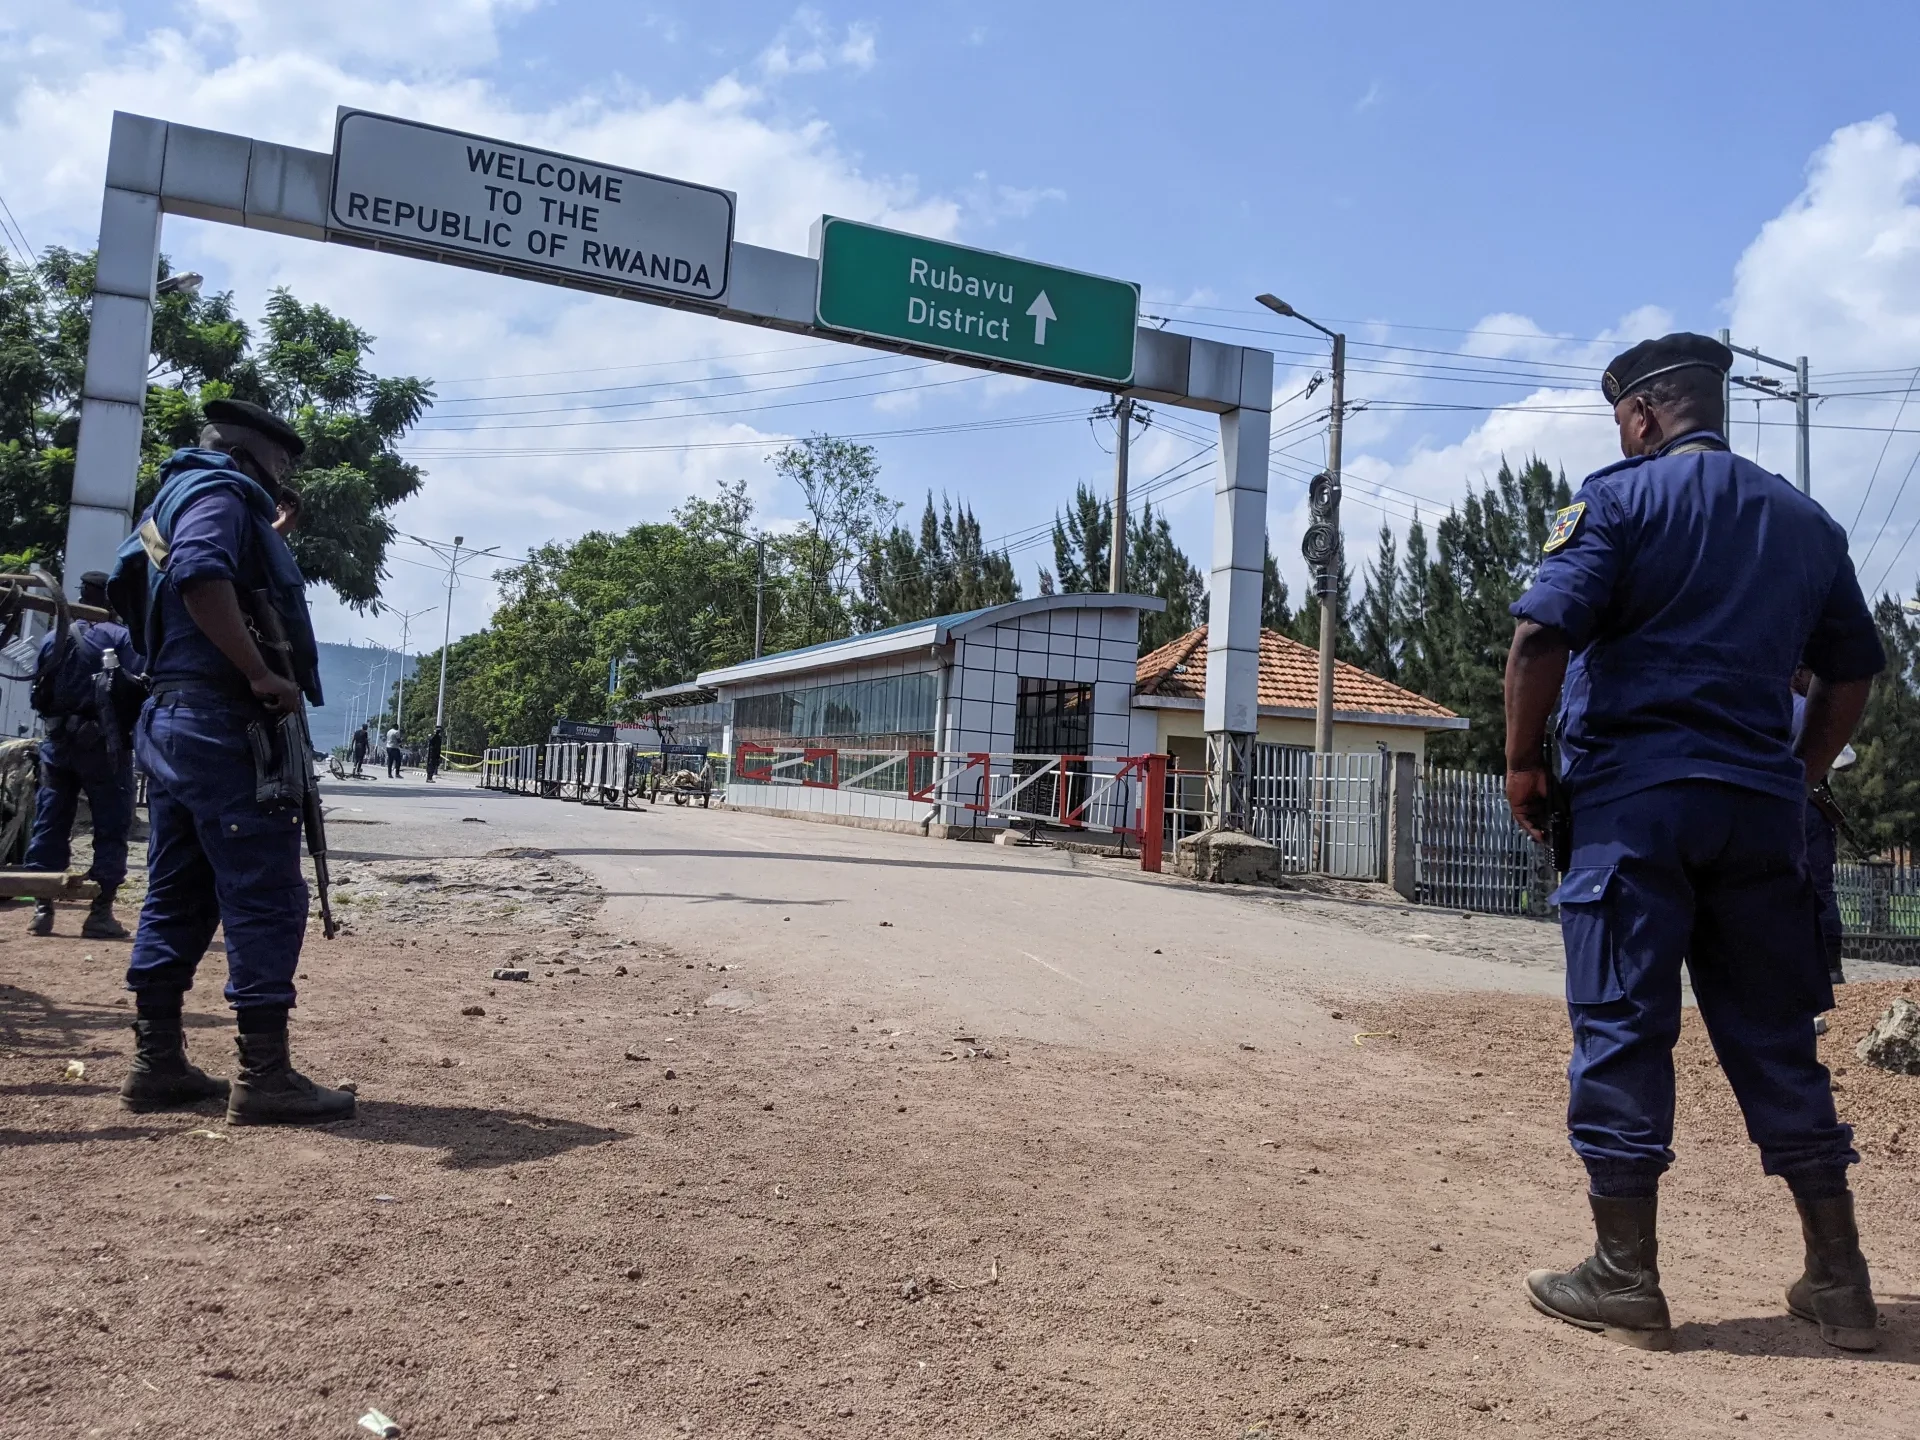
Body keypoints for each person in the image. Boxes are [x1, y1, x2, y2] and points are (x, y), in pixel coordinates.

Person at [1503, 333, 1884, 1353]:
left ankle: (1627, 1273)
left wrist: (1523, 765)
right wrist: (1798, 771)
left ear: (1640, 419)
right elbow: (1853, 670)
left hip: (1638, 810)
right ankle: (1840, 1279)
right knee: (1776, 1036)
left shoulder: (1617, 501)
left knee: (1626, 1024)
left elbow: (1541, 636)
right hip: (1761, 815)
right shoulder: (1807, 523)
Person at [107, 396, 354, 1125]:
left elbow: (189, 578)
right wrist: (259, 674)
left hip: (177, 719)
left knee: (179, 892)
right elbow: (200, 574)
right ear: (251, 457)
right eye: (277, 468)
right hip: (223, 723)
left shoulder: (174, 498)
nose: (278, 485)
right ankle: (265, 1076)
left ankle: (157, 1065)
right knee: (265, 893)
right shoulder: (219, 494)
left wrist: (263, 540)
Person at [21, 572, 142, 938]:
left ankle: (43, 909)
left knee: (51, 820)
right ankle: (100, 912)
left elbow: (39, 690)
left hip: (58, 745)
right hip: (104, 747)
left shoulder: (51, 639)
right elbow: (138, 685)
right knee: (111, 825)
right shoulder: (120, 638)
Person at [1792, 666, 1851, 986]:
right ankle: (1831, 967)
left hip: (1771, 810)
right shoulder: (1805, 710)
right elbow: (1846, 758)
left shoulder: (1761, 708)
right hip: (1809, 809)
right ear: (1798, 674)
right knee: (1821, 891)